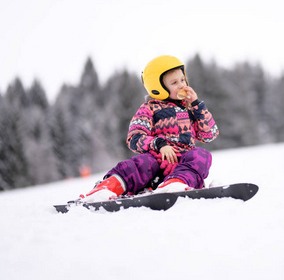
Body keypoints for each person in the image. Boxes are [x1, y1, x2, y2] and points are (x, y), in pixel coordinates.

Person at [79, 55, 219, 202]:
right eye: (174, 82)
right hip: (157, 164)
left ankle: (177, 183)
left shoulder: (190, 108)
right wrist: (159, 145)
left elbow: (209, 134)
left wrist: (197, 105)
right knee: (140, 163)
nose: (182, 85)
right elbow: (135, 137)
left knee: (201, 155)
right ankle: (108, 187)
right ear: (158, 87)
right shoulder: (149, 109)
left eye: (183, 80)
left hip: (183, 165)